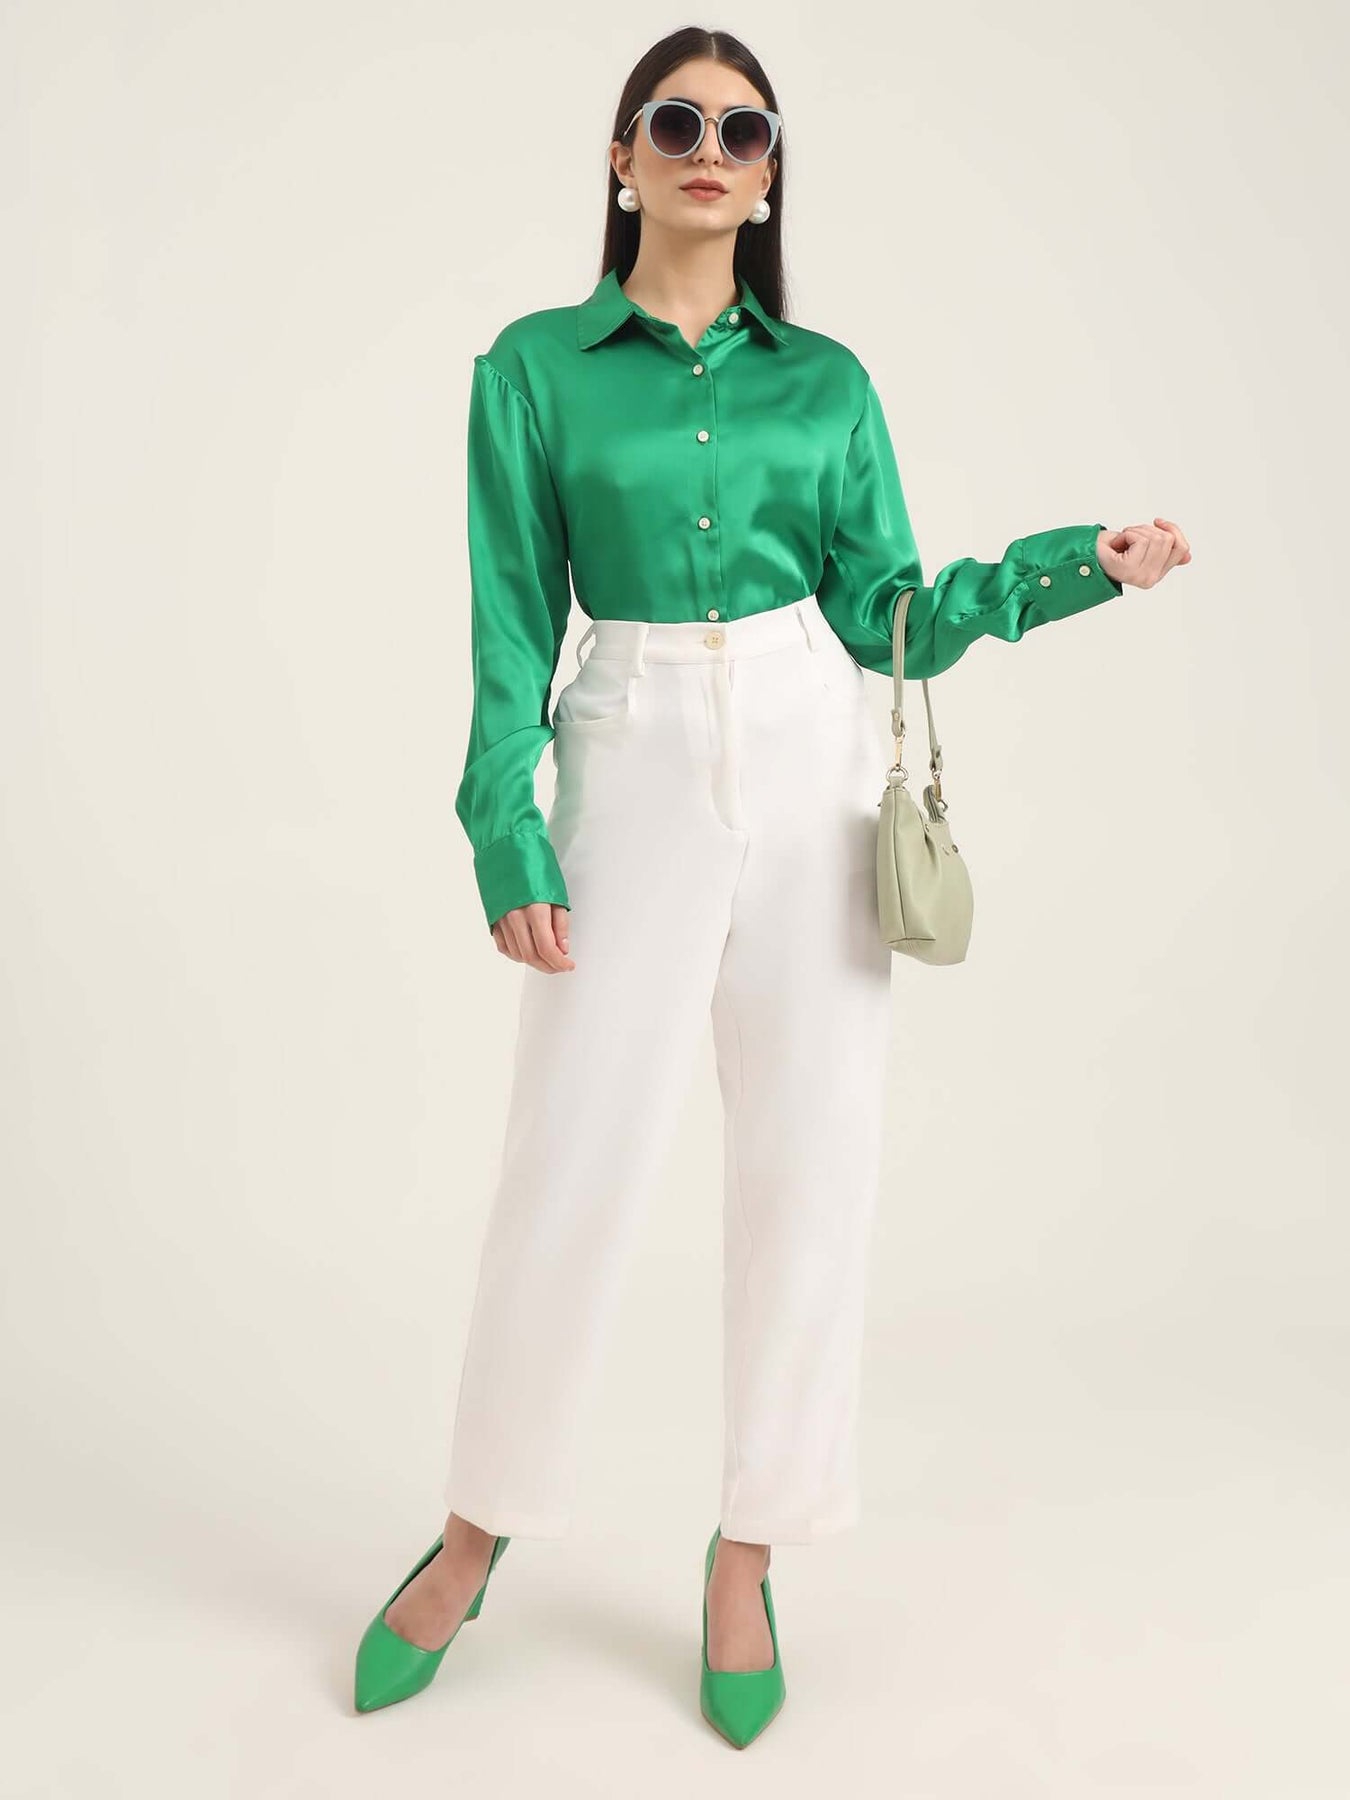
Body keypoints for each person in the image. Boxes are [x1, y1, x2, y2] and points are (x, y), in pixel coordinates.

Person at [352, 26, 1191, 1745]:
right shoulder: (532, 370)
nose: (707, 149)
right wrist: (506, 830)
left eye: (742, 128)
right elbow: (508, 624)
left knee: (814, 1158)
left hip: (812, 752)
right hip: (627, 748)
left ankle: (749, 1550)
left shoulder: (829, 382)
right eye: (674, 121)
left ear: (770, 170)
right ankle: (476, 1528)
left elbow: (889, 610)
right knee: (568, 1160)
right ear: (621, 158)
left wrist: (1071, 569)